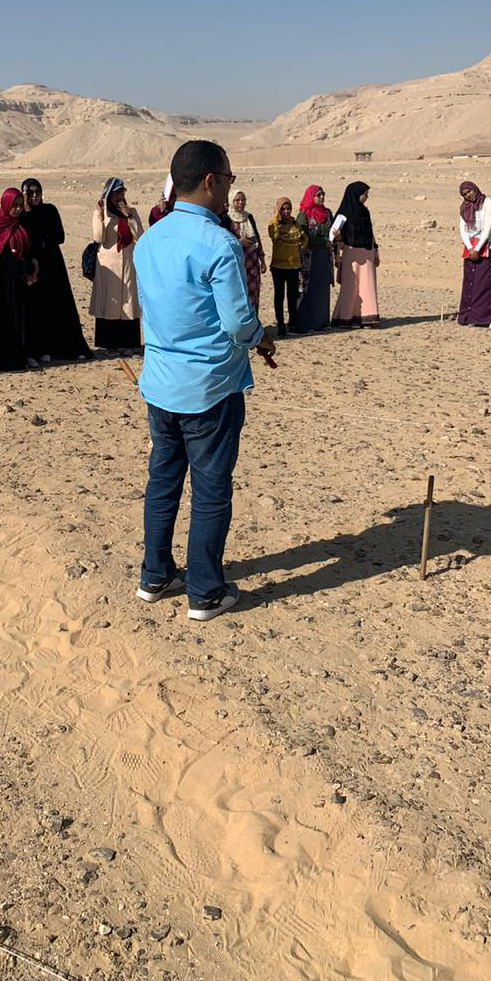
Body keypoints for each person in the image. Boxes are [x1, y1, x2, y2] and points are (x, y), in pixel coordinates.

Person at [134, 140, 275, 622]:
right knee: (212, 490)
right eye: (230, 179)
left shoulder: (150, 239)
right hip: (209, 388)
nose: (231, 189)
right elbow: (236, 321)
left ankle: (155, 576)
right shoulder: (219, 243)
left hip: (160, 384)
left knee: (163, 481)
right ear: (211, 181)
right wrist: (260, 337)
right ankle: (205, 592)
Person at [20, 178, 92, 362]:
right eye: (30, 193)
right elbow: (27, 238)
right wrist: (28, 213)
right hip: (34, 266)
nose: (35, 196)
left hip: (53, 264)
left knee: (60, 303)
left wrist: (42, 238)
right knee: (39, 308)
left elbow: (59, 236)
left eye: (37, 192)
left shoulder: (50, 210)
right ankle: (43, 349)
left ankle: (70, 348)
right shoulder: (22, 215)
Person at [0, 188, 40, 371]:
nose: (17, 209)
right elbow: (2, 256)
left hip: (18, 283)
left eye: (20, 205)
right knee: (1, 320)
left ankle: (18, 357)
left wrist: (31, 266)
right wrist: (27, 267)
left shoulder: (21, 226)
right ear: (6, 204)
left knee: (18, 319)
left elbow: (28, 250)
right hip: (2, 283)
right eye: (14, 205)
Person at [90, 178, 144, 350]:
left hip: (128, 263)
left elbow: (139, 236)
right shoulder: (103, 214)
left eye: (121, 192)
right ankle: (110, 345)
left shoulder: (131, 212)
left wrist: (129, 216)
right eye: (115, 193)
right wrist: (99, 214)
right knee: (109, 303)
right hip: (109, 265)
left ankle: (128, 343)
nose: (119, 197)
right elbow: (99, 238)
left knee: (128, 302)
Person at [331, 182, 380, 328]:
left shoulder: (365, 212)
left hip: (367, 253)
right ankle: (346, 318)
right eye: (365, 194)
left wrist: (376, 251)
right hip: (350, 254)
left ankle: (366, 318)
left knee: (367, 286)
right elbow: (335, 237)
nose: (367, 197)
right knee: (350, 287)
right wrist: (337, 251)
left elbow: (370, 233)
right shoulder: (343, 213)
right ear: (356, 195)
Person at [457, 181, 491, 329]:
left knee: (486, 283)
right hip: (470, 250)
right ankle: (473, 317)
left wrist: (477, 248)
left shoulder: (487, 202)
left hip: (487, 247)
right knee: (471, 283)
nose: (468, 195)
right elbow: (463, 229)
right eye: (464, 194)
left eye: (469, 192)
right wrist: (470, 248)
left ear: (474, 189)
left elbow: (488, 226)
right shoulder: (464, 207)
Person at [295, 184, 334, 333]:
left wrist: (335, 236)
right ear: (311, 197)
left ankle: (321, 322)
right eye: (318, 195)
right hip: (309, 257)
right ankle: (305, 322)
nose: (322, 197)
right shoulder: (304, 215)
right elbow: (302, 236)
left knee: (322, 288)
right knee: (307, 288)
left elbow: (331, 230)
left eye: (323, 194)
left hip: (324, 257)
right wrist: (322, 241)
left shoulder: (327, 213)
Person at [268, 196, 306, 337]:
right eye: (283, 209)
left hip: (293, 266)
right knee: (279, 296)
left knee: (292, 296)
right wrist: (275, 217)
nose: (286, 211)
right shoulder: (274, 224)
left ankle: (293, 324)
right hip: (278, 266)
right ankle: (280, 325)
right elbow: (274, 235)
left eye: (288, 208)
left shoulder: (295, 224)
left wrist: (302, 246)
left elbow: (304, 238)